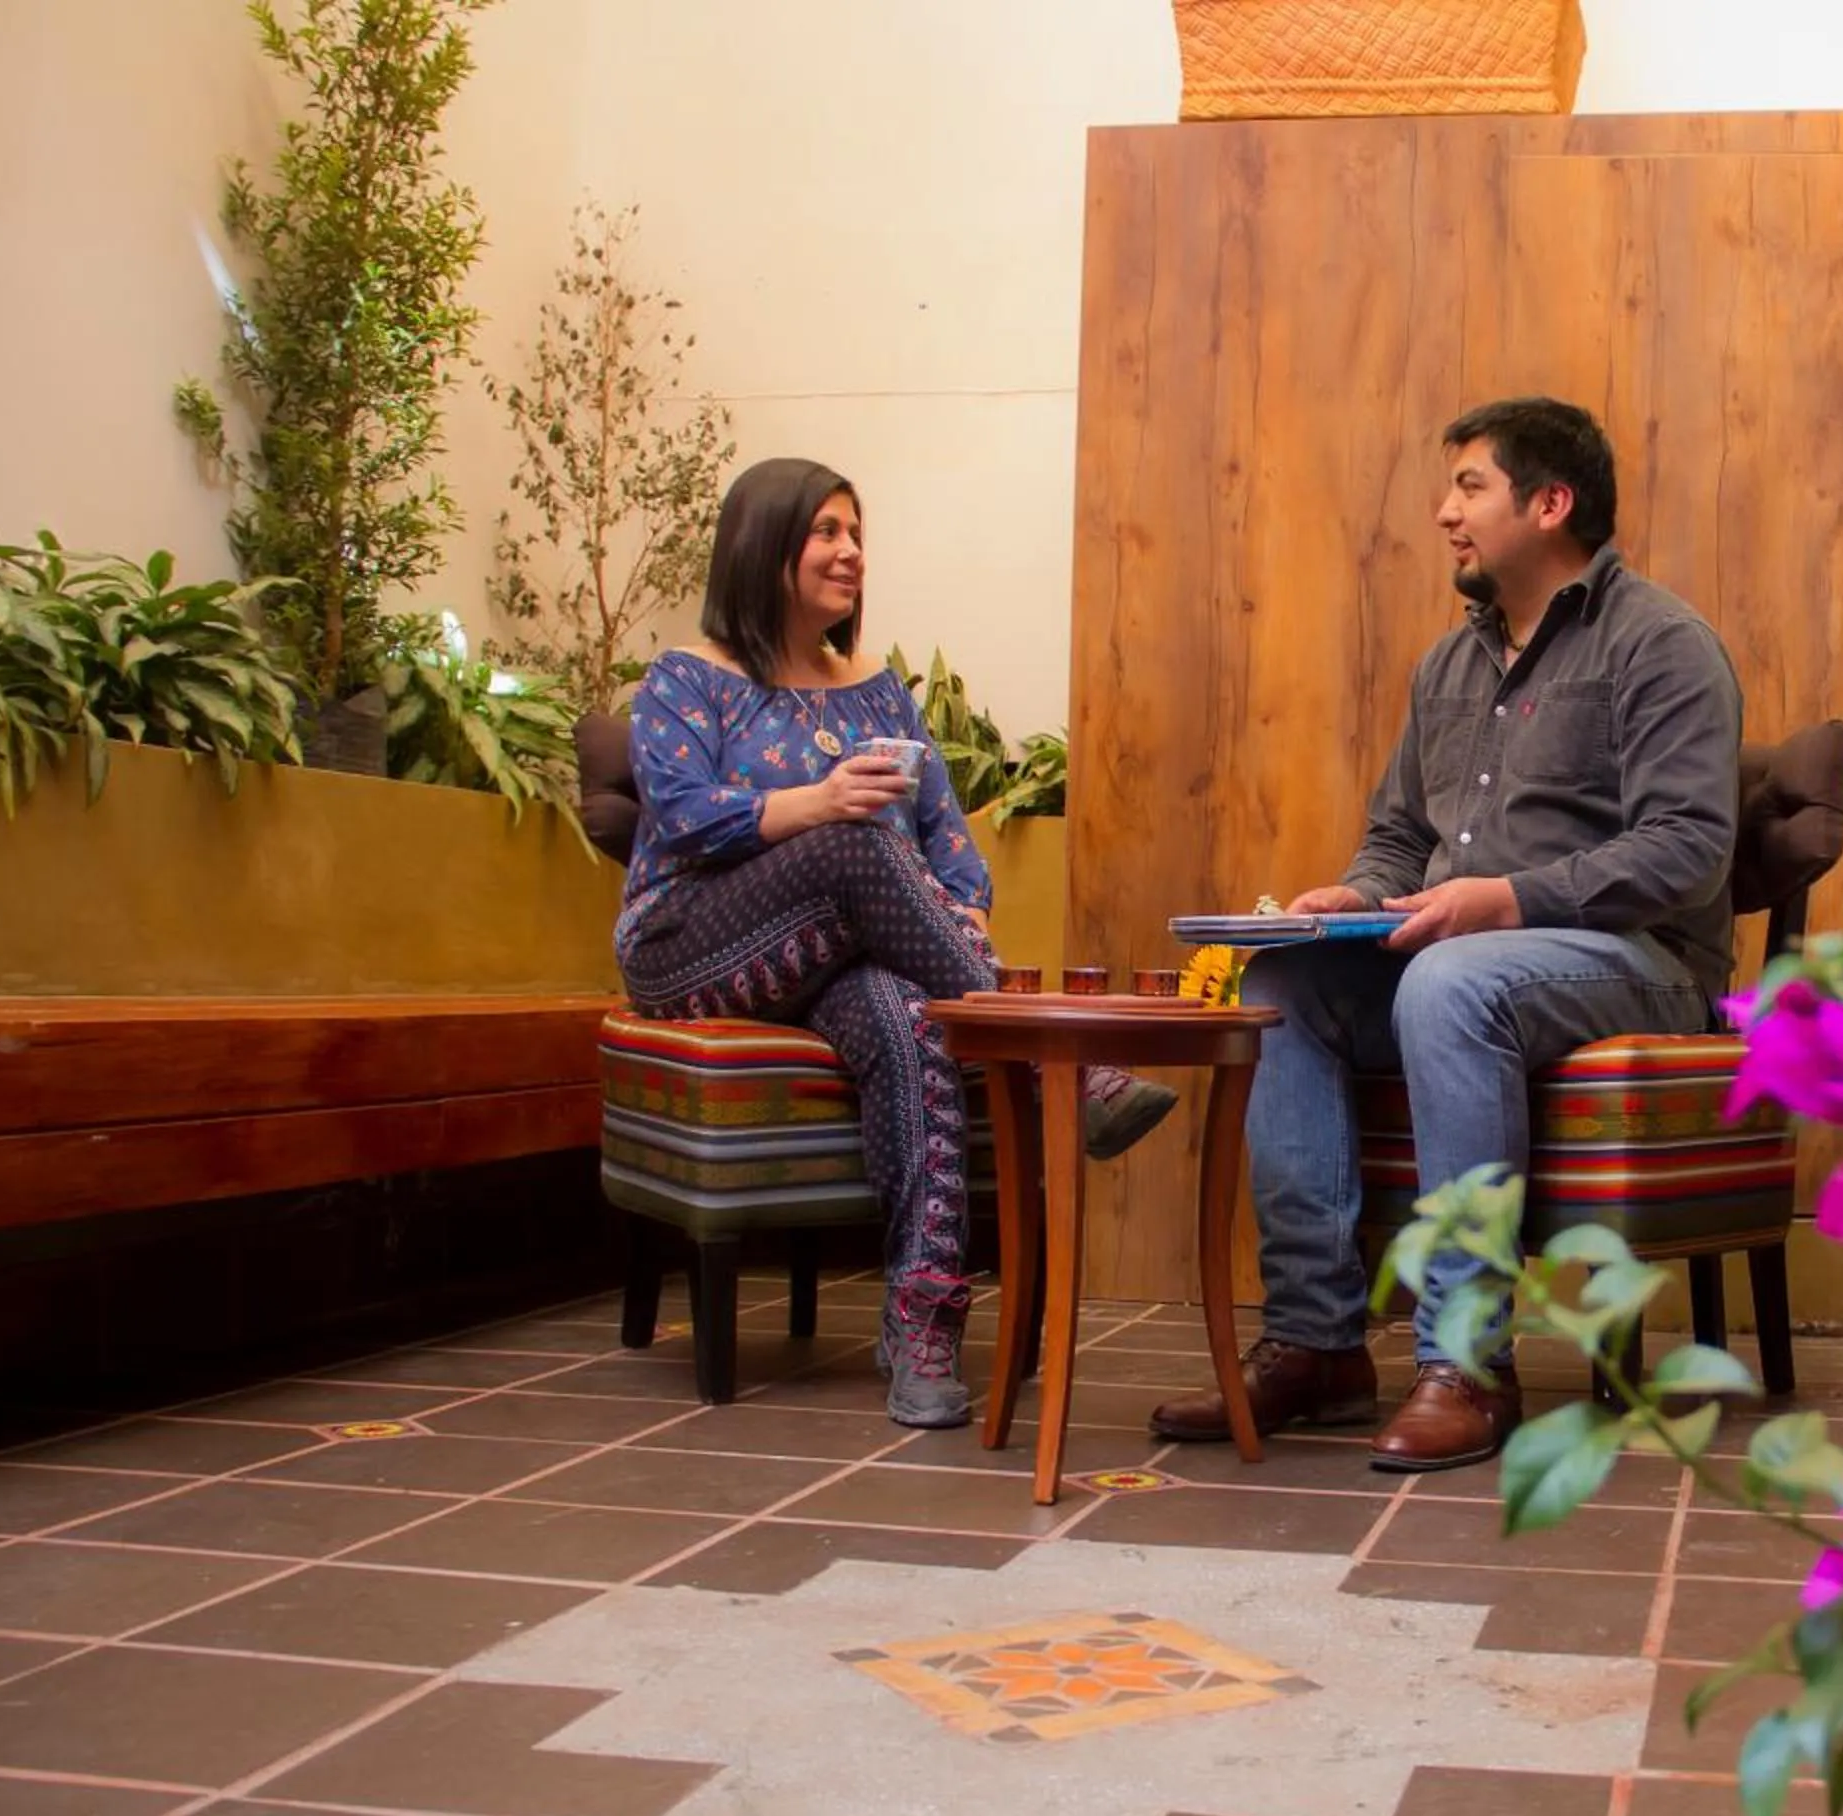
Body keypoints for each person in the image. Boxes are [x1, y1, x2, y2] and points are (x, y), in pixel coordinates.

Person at [1148, 399, 1742, 1473]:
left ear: (1550, 503)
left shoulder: (1662, 645)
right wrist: (1357, 893)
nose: (1444, 513)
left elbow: (1688, 847)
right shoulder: (1447, 667)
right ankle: (1319, 1344)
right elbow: (1400, 837)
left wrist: (1506, 897)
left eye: (1470, 488)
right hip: (1474, 957)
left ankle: (1468, 1363)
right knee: (1281, 978)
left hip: (1642, 965)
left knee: (1450, 982)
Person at [615, 457, 1175, 1429]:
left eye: (855, 533)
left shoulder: (877, 691)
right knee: (853, 835)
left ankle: (922, 1326)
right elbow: (681, 816)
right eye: (826, 531)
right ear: (763, 545)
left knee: (911, 1011)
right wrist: (818, 803)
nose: (850, 552)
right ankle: (1065, 1060)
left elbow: (950, 840)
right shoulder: (687, 678)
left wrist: (961, 911)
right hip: (694, 949)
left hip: (833, 949)